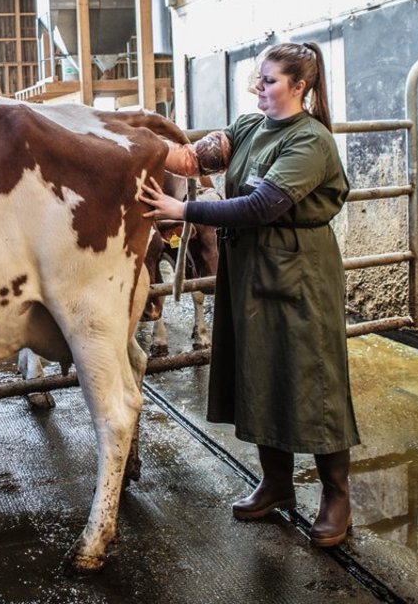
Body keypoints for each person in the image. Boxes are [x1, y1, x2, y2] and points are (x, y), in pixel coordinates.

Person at [138, 41, 359, 548]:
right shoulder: (247, 127)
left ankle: (335, 494)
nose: (258, 87)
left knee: (313, 378)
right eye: (258, 78)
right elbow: (191, 158)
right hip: (251, 272)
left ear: (299, 86)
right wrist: (134, 137)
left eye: (269, 80)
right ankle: (277, 485)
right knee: (260, 372)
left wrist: (183, 212)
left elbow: (261, 206)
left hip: (298, 274)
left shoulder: (310, 142)